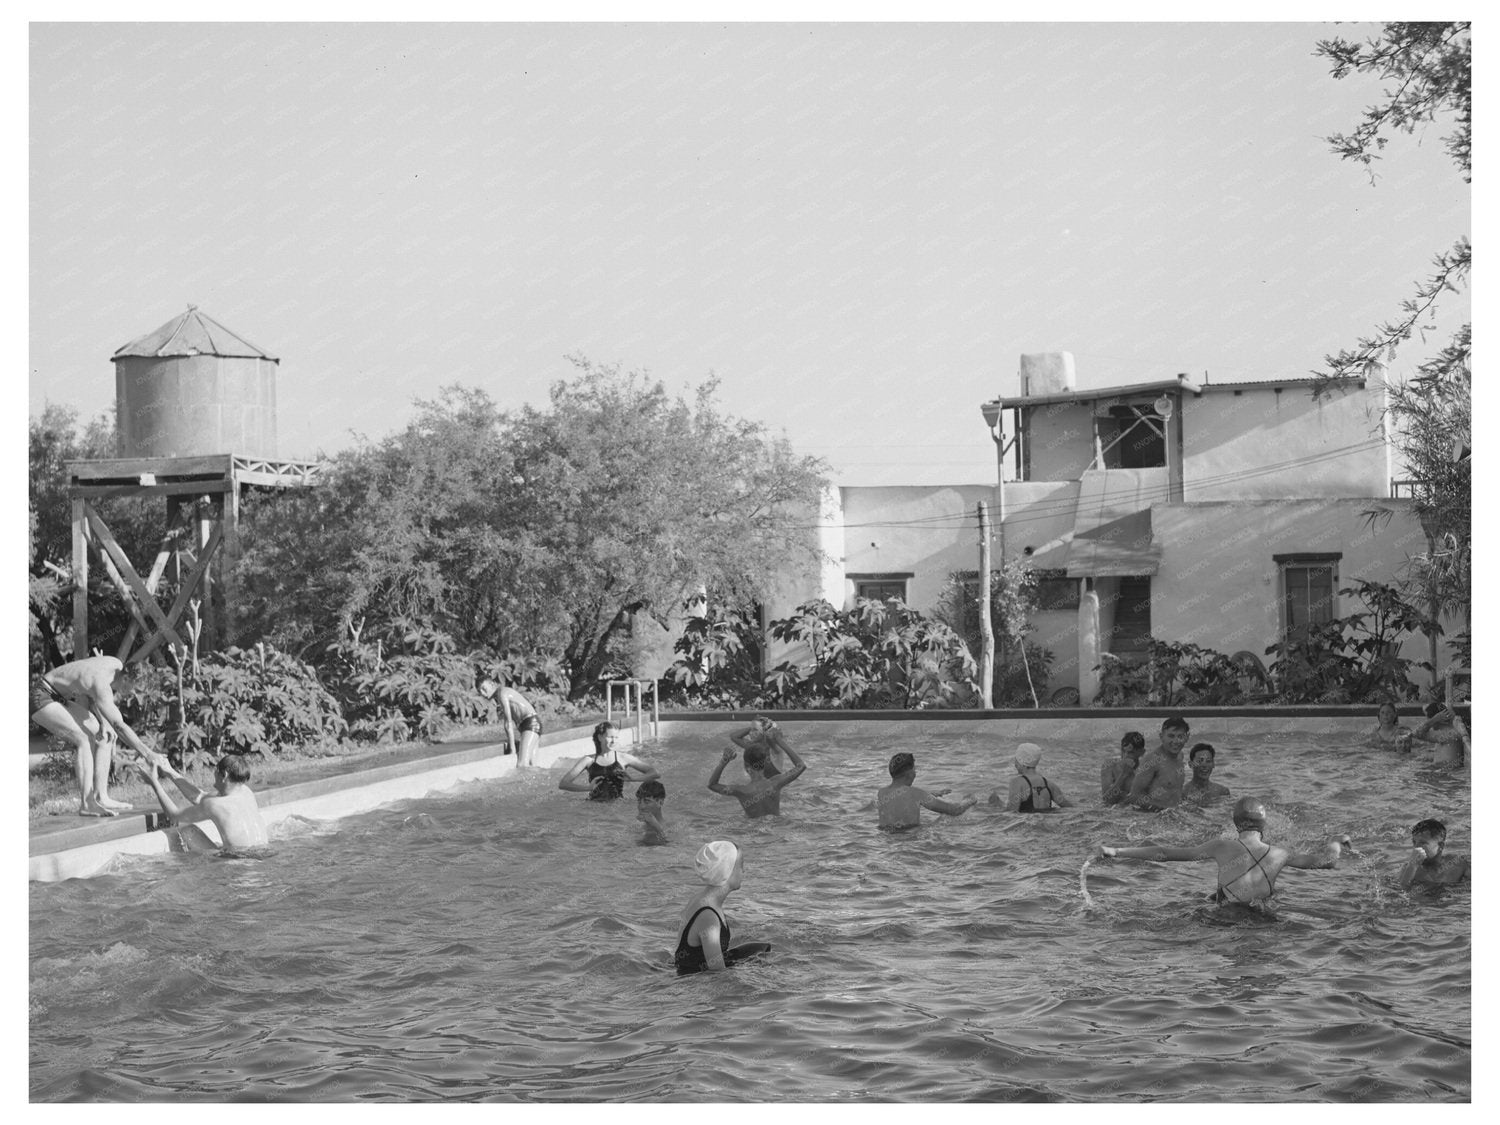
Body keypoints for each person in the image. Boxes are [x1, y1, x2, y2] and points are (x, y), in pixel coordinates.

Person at [1096, 796, 1354, 908]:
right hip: (1264, 918)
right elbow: (1327, 862)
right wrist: (1335, 840)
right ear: (1264, 825)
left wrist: (1116, 851)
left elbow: (1164, 852)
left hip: (1227, 917)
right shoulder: (1280, 853)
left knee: (1213, 900)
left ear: (1235, 823)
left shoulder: (1221, 845)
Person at [29, 654, 158, 817]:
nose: (134, 693)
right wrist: (147, 753)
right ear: (126, 678)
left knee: (104, 734)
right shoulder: (102, 685)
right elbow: (120, 725)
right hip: (41, 696)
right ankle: (86, 803)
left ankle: (101, 796)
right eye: (135, 688)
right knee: (83, 739)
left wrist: (105, 722)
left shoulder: (115, 664)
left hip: (59, 696)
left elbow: (92, 693)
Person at [135, 752, 269, 854]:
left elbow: (173, 816)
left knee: (187, 830)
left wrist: (155, 783)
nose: (214, 773)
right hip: (262, 854)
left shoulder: (214, 805)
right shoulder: (246, 792)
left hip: (237, 865)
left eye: (216, 770)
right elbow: (199, 797)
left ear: (225, 775)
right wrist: (170, 772)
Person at [672, 840, 771, 975]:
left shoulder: (702, 899)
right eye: (741, 865)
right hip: (693, 979)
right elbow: (717, 973)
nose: (744, 870)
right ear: (727, 870)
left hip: (692, 970)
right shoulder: (708, 916)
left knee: (763, 949)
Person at [707, 737, 807, 818]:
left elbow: (712, 785)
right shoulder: (776, 783)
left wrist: (724, 761)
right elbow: (801, 766)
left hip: (753, 835)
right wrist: (780, 741)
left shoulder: (741, 791)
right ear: (764, 763)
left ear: (746, 766)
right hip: (777, 830)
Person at [557, 721, 659, 800]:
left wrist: (633, 778)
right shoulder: (588, 760)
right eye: (610, 737)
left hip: (618, 806)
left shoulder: (623, 758)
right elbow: (563, 784)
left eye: (616, 737)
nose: (614, 741)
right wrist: (587, 788)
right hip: (593, 807)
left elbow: (654, 773)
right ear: (600, 737)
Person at [877, 752, 976, 829]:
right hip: (911, 839)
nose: (915, 773)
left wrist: (928, 795)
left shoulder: (881, 793)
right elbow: (955, 810)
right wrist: (969, 800)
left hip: (888, 839)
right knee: (945, 818)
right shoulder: (916, 794)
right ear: (909, 773)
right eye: (914, 769)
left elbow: (902, 799)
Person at [1126, 715, 1191, 811]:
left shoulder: (1180, 756)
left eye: (1180, 736)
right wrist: (1166, 809)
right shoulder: (1152, 760)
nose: (1176, 741)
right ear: (1161, 737)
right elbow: (1134, 796)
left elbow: (1174, 790)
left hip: (1173, 817)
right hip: (1152, 819)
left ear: (1187, 738)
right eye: (1171, 736)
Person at [479, 677, 542, 767]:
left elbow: (508, 723)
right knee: (532, 765)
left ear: (492, 684)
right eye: (480, 691)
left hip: (530, 724)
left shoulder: (502, 693)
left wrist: (512, 748)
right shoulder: (503, 692)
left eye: (484, 689)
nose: (482, 693)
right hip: (533, 723)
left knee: (522, 765)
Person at [992, 742, 1073, 812]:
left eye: (1016, 759)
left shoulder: (1017, 783)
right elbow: (1069, 808)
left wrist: (996, 807)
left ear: (1021, 761)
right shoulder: (1049, 784)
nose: (1015, 762)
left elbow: (1011, 813)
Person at [1397, 818, 1469, 888]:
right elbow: (1401, 890)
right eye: (1414, 842)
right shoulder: (1409, 870)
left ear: (1440, 846)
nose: (1416, 847)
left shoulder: (1457, 864)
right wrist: (1412, 866)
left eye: (1423, 843)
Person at [1411, 703, 1465, 768]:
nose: (1429, 722)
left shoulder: (1449, 735)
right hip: (1443, 773)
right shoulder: (1448, 734)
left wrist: (1433, 720)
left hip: (1445, 775)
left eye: (1429, 719)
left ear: (1440, 719)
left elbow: (1415, 733)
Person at [1101, 731, 1145, 806]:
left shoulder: (1146, 770)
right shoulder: (1110, 766)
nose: (1125, 756)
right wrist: (1123, 775)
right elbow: (1107, 800)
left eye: (1131, 753)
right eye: (1123, 751)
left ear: (1142, 752)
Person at [636, 779, 669, 845]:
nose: (641, 806)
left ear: (660, 802)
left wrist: (657, 828)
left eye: (647, 801)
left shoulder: (672, 829)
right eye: (639, 801)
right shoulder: (637, 828)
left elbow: (671, 851)